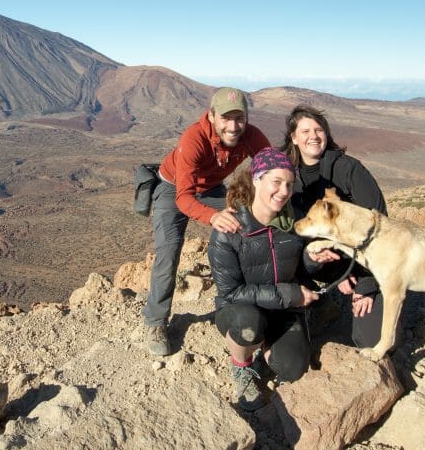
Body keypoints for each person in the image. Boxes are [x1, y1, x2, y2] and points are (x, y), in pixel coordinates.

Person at [143, 87, 271, 356]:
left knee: (246, 227)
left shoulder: (251, 135)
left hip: (212, 188)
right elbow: (184, 199)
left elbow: (270, 165)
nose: (233, 126)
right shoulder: (194, 138)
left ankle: (244, 304)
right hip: (173, 189)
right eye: (226, 118)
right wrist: (213, 216)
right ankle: (155, 321)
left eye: (239, 118)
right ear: (211, 116)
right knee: (168, 253)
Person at [209, 147, 320, 409]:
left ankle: (268, 349)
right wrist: (289, 295)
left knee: (292, 368)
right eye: (276, 182)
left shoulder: (293, 224)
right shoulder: (230, 230)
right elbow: (231, 292)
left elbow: (299, 271)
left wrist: (313, 261)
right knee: (249, 323)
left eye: (289, 184)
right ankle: (241, 365)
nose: (284, 191)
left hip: (281, 310)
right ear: (257, 179)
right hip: (240, 309)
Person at [281, 104, 387, 349]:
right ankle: (307, 305)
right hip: (316, 260)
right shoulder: (286, 176)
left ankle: (378, 291)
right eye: (305, 131)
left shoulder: (349, 170)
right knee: (304, 255)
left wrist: (366, 283)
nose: (313, 136)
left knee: (372, 341)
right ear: (294, 138)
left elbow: (379, 228)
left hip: (364, 263)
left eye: (318, 130)